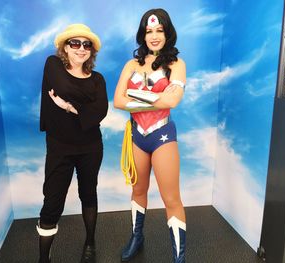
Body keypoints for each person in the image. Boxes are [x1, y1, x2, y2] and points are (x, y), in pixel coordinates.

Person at [114, 8, 186, 263]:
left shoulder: (176, 64)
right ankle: (137, 237)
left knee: (171, 197)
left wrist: (136, 96)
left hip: (162, 134)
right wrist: (157, 99)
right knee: (138, 189)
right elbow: (118, 101)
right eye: (149, 31)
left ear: (167, 33)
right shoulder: (131, 64)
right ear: (142, 35)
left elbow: (174, 100)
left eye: (159, 30)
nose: (154, 36)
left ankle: (179, 257)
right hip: (137, 136)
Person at [38, 23, 108, 263]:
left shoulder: (98, 78)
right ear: (65, 48)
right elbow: (65, 86)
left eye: (86, 44)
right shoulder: (52, 64)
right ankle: (43, 258)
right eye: (75, 43)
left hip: (91, 147)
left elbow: (101, 111)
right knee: (52, 202)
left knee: (88, 194)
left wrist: (69, 106)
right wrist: (86, 105)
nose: (81, 48)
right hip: (60, 147)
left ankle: (90, 242)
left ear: (91, 50)